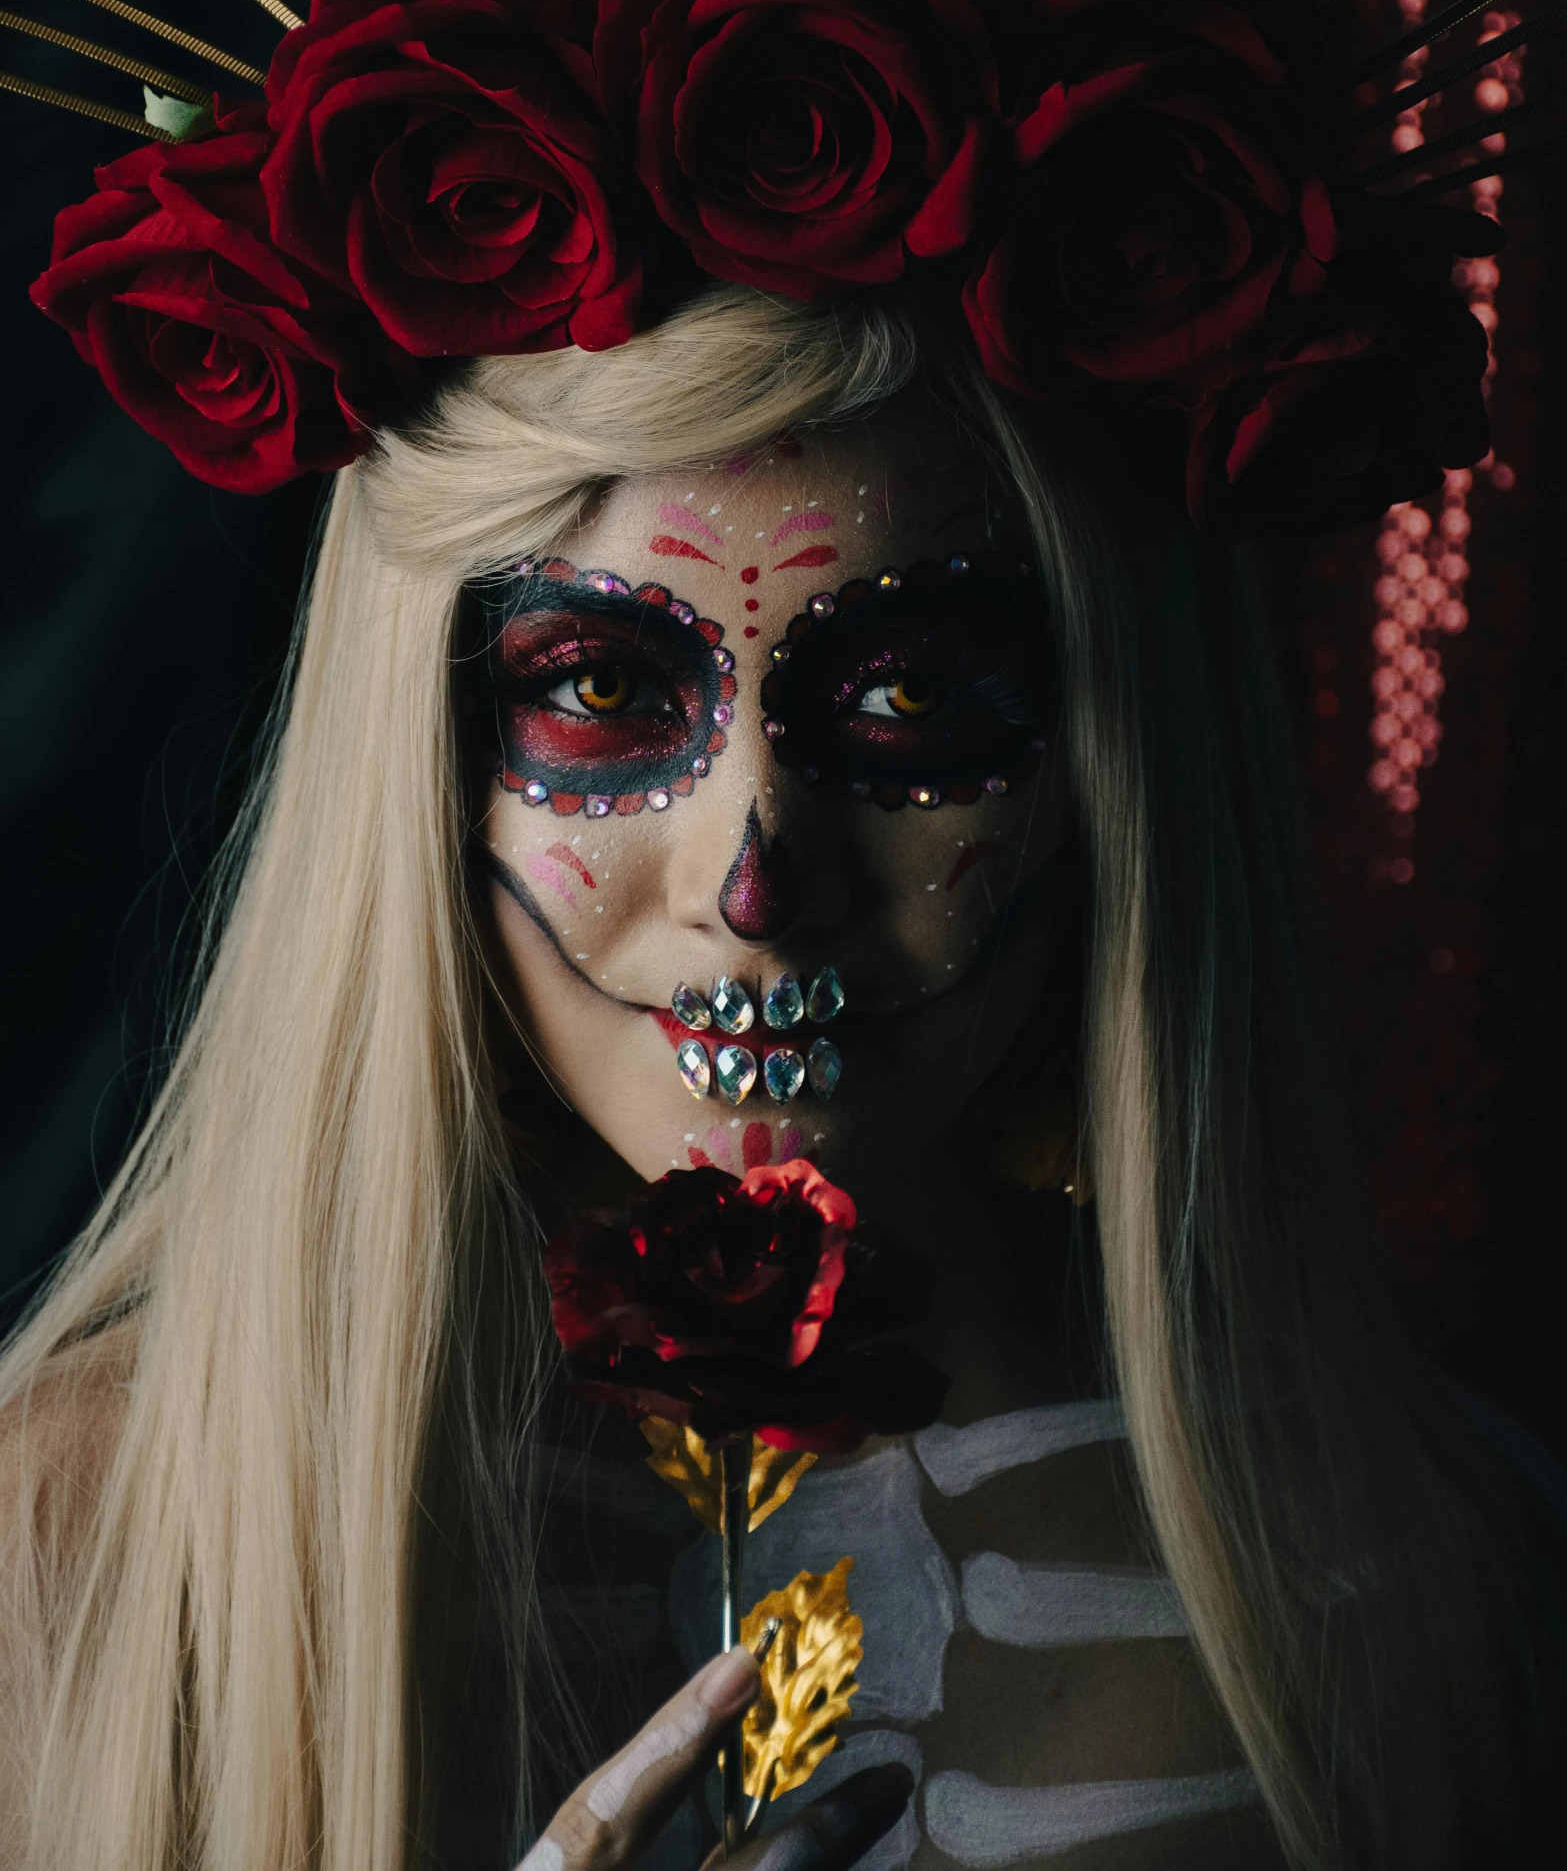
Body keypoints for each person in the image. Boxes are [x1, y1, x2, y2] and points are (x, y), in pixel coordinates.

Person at [2, 284, 1564, 1871]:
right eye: (604, 690)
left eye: (907, 696)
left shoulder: (1445, 1577)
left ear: (1115, 753)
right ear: (423, 749)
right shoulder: (74, 1540)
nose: (755, 881)